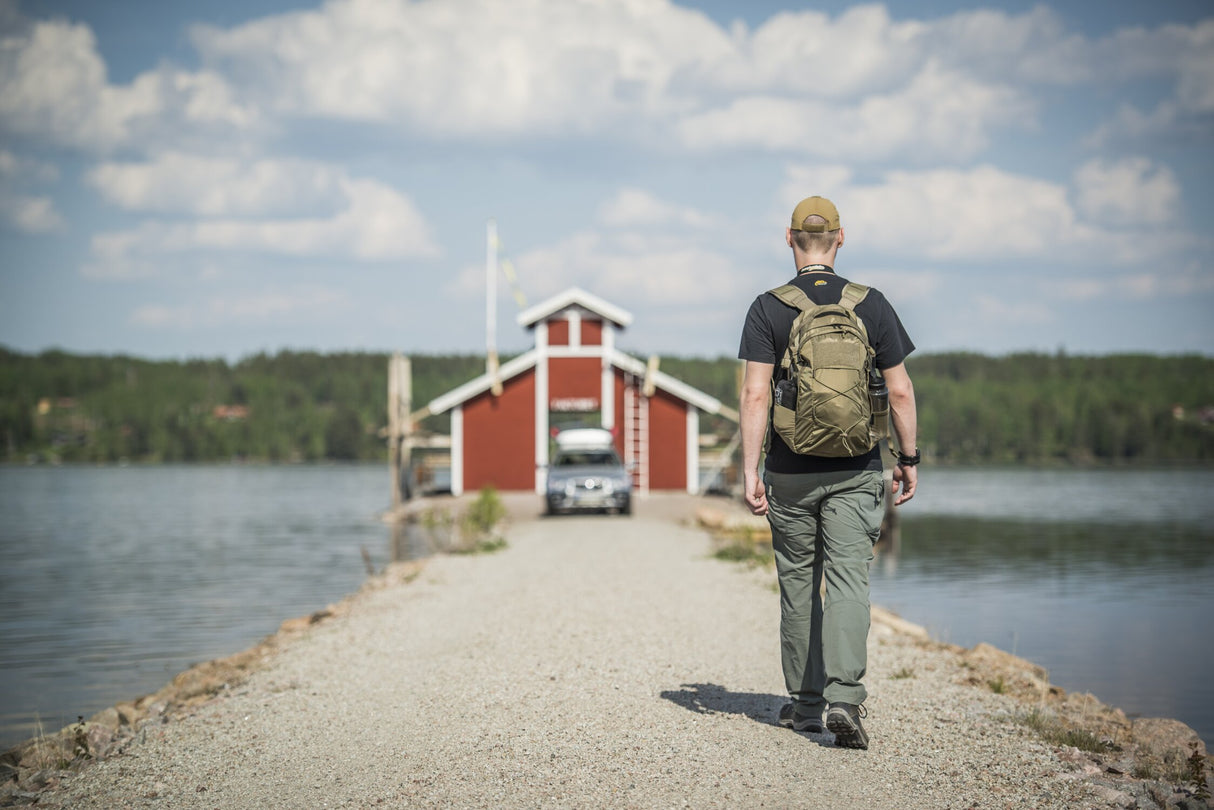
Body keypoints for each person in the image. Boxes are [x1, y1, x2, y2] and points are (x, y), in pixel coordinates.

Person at [737, 195, 919, 750]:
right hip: (858, 467)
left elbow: (755, 394)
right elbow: (900, 391)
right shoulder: (872, 304)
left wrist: (750, 471)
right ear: (841, 238)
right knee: (847, 579)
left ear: (788, 238)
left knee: (798, 584)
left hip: (789, 470)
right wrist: (908, 459)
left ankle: (806, 705)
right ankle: (844, 698)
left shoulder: (768, 308)